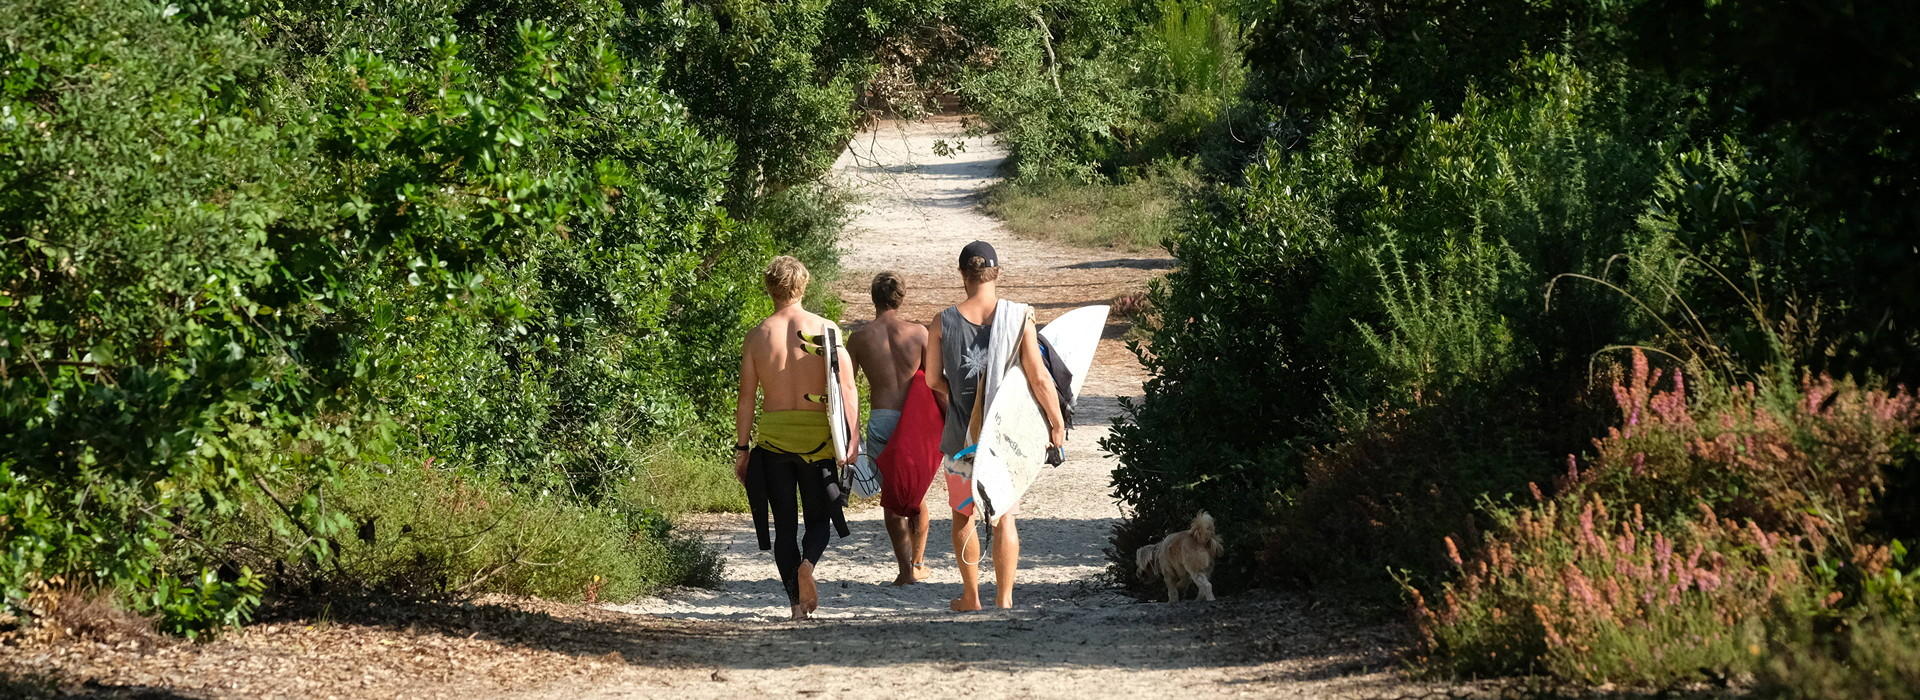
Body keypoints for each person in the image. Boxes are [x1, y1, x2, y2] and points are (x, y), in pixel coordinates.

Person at [923, 241, 1066, 611]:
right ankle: (1004, 598)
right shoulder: (1019, 318)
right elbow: (1038, 378)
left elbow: (932, 381)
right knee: (1004, 516)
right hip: (1004, 435)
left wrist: (959, 395)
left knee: (963, 514)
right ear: (997, 273)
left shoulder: (942, 321)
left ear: (962, 275)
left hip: (961, 433)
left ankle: (971, 596)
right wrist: (1056, 423)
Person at [734, 256, 858, 620]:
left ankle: (795, 607)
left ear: (769, 288)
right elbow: (846, 388)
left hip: (773, 442)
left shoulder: (758, 336)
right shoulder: (826, 329)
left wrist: (743, 449)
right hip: (818, 440)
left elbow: (746, 398)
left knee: (784, 525)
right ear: (803, 286)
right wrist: (851, 440)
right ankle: (808, 564)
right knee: (818, 520)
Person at [847, 272, 932, 586]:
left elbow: (847, 387)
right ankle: (919, 561)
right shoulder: (920, 334)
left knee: (892, 498)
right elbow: (935, 382)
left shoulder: (859, 337)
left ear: (873, 298)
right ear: (901, 297)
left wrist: (849, 430)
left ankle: (905, 571)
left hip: (882, 418)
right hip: (914, 421)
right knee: (917, 492)